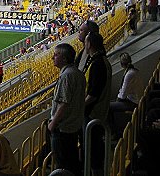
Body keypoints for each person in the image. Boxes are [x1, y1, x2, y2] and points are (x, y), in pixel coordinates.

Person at [48, 43, 85, 176]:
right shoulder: (77, 73)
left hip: (63, 128)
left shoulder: (67, 76)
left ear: (64, 59)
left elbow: (64, 103)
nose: (53, 57)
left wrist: (53, 123)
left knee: (63, 165)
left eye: (56, 54)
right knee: (71, 162)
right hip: (73, 126)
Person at [83, 32, 112, 176]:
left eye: (85, 42)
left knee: (93, 151)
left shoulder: (98, 64)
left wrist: (80, 107)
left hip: (93, 114)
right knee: (94, 149)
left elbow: (93, 94)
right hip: (98, 112)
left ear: (89, 44)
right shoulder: (101, 61)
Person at [109, 52, 142, 137]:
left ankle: (114, 132)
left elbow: (123, 95)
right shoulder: (134, 71)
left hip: (132, 103)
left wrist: (118, 98)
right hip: (134, 100)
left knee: (108, 107)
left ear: (121, 64)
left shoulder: (129, 74)